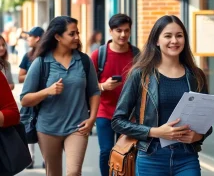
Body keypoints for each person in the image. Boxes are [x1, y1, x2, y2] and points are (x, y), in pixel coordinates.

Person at [111, 15, 212, 176]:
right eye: (168, 36)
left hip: (187, 156)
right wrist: (155, 132)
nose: (174, 41)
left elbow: (206, 122)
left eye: (179, 35)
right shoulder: (141, 74)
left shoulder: (196, 75)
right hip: (151, 156)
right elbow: (118, 121)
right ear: (157, 41)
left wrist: (198, 135)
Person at [20, 16, 100, 176]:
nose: (77, 37)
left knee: (74, 172)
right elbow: (25, 99)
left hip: (78, 126)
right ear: (57, 36)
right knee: (53, 173)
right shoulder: (41, 62)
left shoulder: (84, 61)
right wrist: (47, 91)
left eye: (77, 33)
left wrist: (92, 119)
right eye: (72, 34)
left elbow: (94, 91)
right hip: (48, 128)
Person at [90, 13, 139, 176]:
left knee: (127, 152)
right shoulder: (99, 54)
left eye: (127, 30)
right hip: (104, 111)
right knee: (106, 151)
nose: (123, 35)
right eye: (119, 30)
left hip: (129, 114)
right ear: (111, 31)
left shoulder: (137, 55)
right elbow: (86, 85)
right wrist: (103, 86)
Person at [18, 26, 44, 169]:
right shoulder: (27, 56)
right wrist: (33, 74)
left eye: (30, 36)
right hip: (30, 97)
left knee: (43, 130)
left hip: (46, 99)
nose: (28, 39)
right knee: (28, 128)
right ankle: (31, 159)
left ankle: (47, 157)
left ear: (38, 38)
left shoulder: (47, 55)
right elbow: (20, 77)